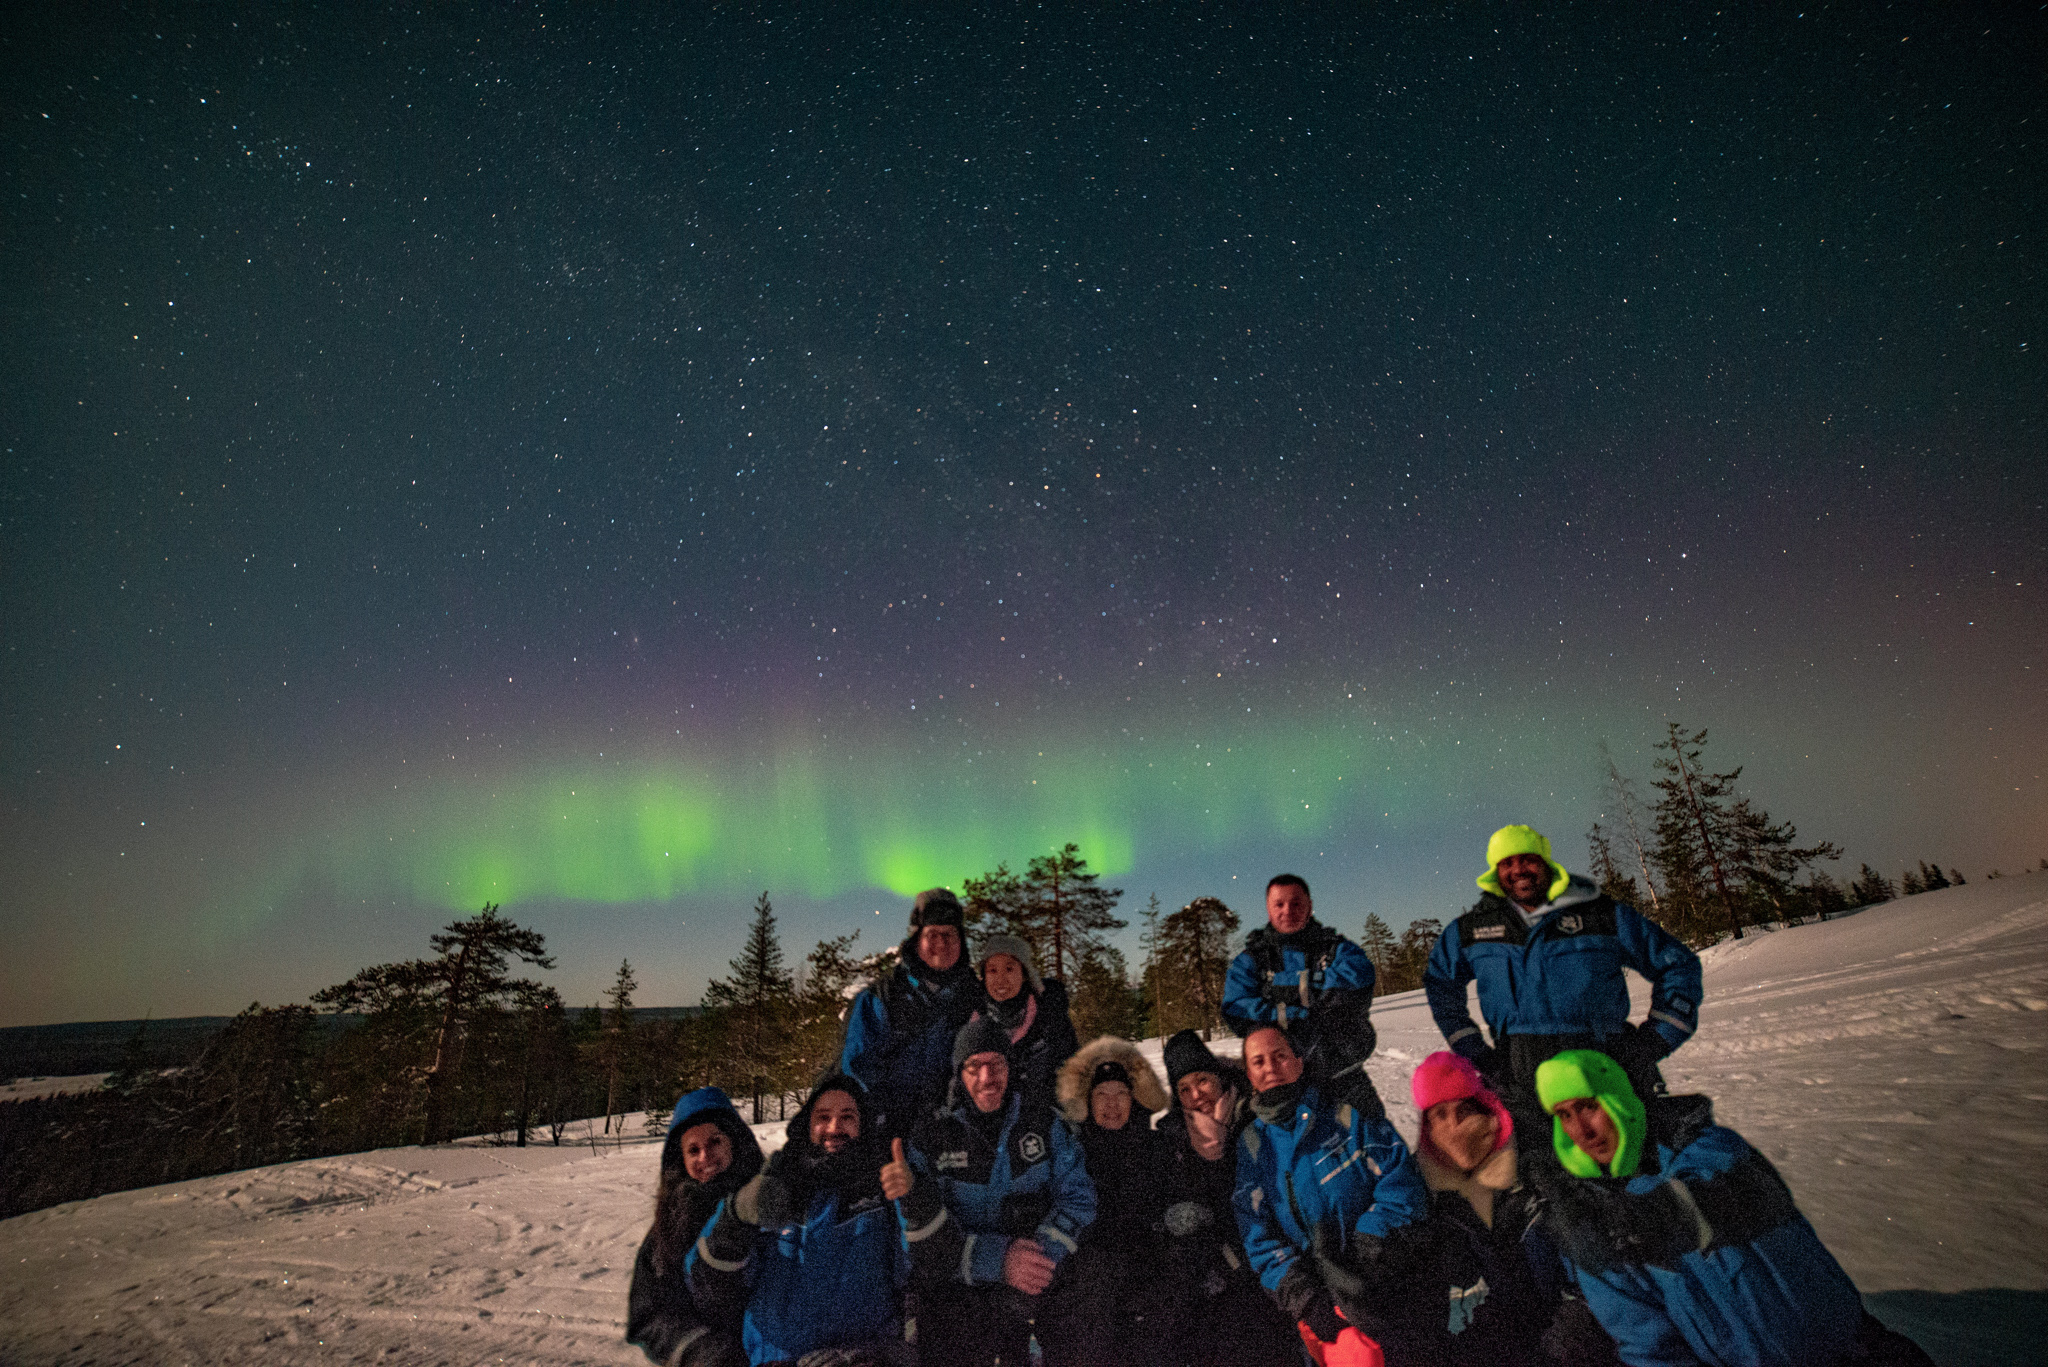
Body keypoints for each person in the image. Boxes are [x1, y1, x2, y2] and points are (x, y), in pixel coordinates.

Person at [1535, 1050, 1934, 1367]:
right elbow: (1649, 1346)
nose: (1581, 1131)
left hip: (1858, 1349)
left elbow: (1711, 1202)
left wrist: (1610, 1223)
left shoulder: (1711, 1148)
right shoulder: (1589, 1217)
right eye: (1564, 1115)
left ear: (1617, 1098)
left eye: (1588, 1106)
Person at [1424, 825, 1702, 1120]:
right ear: (1495, 872)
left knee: (1623, 1162)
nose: (1518, 870)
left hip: (1606, 1067)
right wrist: (1477, 1054)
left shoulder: (1601, 915)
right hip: (1519, 1078)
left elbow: (1678, 965)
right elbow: (1440, 984)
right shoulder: (1471, 930)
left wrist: (1657, 1039)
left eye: (1528, 859)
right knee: (1534, 1164)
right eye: (1507, 863)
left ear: (1546, 863)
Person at [892, 1015, 1110, 1367]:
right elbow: (912, 1236)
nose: (986, 1078)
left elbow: (1079, 1197)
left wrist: (1039, 1259)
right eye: (974, 1066)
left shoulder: (1044, 1123)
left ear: (1010, 1068)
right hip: (961, 1287)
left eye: (996, 1064)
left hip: (1034, 1280)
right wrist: (997, 1262)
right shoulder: (931, 1137)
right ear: (958, 1074)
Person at [1233, 1024, 1430, 1367]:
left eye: (1280, 1055)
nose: (1271, 1068)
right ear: (1249, 1075)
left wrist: (1369, 1247)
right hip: (1323, 1311)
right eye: (1258, 1061)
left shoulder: (1346, 1115)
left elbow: (1399, 1180)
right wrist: (1307, 1300)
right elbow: (1257, 1235)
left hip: (1388, 1282)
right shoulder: (1252, 1145)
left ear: (1298, 1060)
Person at [1406, 1051, 1614, 1367]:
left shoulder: (1535, 1170)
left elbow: (1590, 1268)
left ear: (1483, 1107)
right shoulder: (1422, 1199)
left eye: (1463, 1109)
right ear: (1426, 1126)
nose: (1454, 1125)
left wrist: (1563, 1344)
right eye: (1440, 1115)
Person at [688, 1073, 911, 1365]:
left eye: (847, 1117)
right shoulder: (773, 1181)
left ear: (863, 1125)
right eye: (823, 1116)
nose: (834, 1127)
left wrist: (878, 1355)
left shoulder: (884, 1186)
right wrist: (735, 1217)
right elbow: (708, 1288)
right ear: (807, 1123)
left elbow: (917, 1280)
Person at [1154, 1029, 1299, 1367]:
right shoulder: (1172, 1138)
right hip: (1215, 1265)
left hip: (1270, 1250)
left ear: (1218, 1076)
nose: (1197, 1095)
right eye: (1184, 1089)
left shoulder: (1253, 1116)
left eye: (1202, 1080)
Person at [626, 1088, 766, 1367]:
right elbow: (649, 1316)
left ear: (733, 1143)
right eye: (693, 1150)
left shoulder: (768, 1201)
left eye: (715, 1142)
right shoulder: (670, 1226)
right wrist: (696, 1348)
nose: (705, 1157)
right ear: (682, 1160)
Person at [1222, 875, 1382, 1109]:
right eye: (1279, 904)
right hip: (1279, 1083)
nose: (1288, 911)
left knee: (1372, 1134)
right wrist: (1296, 1012)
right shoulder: (1250, 961)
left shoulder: (1336, 949)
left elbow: (1357, 977)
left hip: (1340, 1075)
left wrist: (1290, 997)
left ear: (1309, 907)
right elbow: (1236, 1007)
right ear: (1268, 909)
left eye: (1296, 904)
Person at [1055, 1035, 1169, 1358]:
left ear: (1135, 1099)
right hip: (1094, 1290)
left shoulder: (1157, 1147)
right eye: (1102, 1094)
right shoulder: (1073, 1153)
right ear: (1087, 1101)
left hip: (1152, 1282)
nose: (1111, 1104)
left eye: (1121, 1094)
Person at [839, 887, 981, 1139]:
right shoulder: (880, 998)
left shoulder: (977, 997)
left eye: (950, 934)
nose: (942, 943)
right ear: (916, 939)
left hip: (959, 1135)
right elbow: (857, 1072)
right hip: (891, 1137)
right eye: (932, 934)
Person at [974, 933, 1080, 1105]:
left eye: (1009, 969)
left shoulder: (1050, 1019)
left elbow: (1073, 1077)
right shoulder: (969, 1020)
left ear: (1024, 974)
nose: (1000, 979)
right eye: (992, 970)